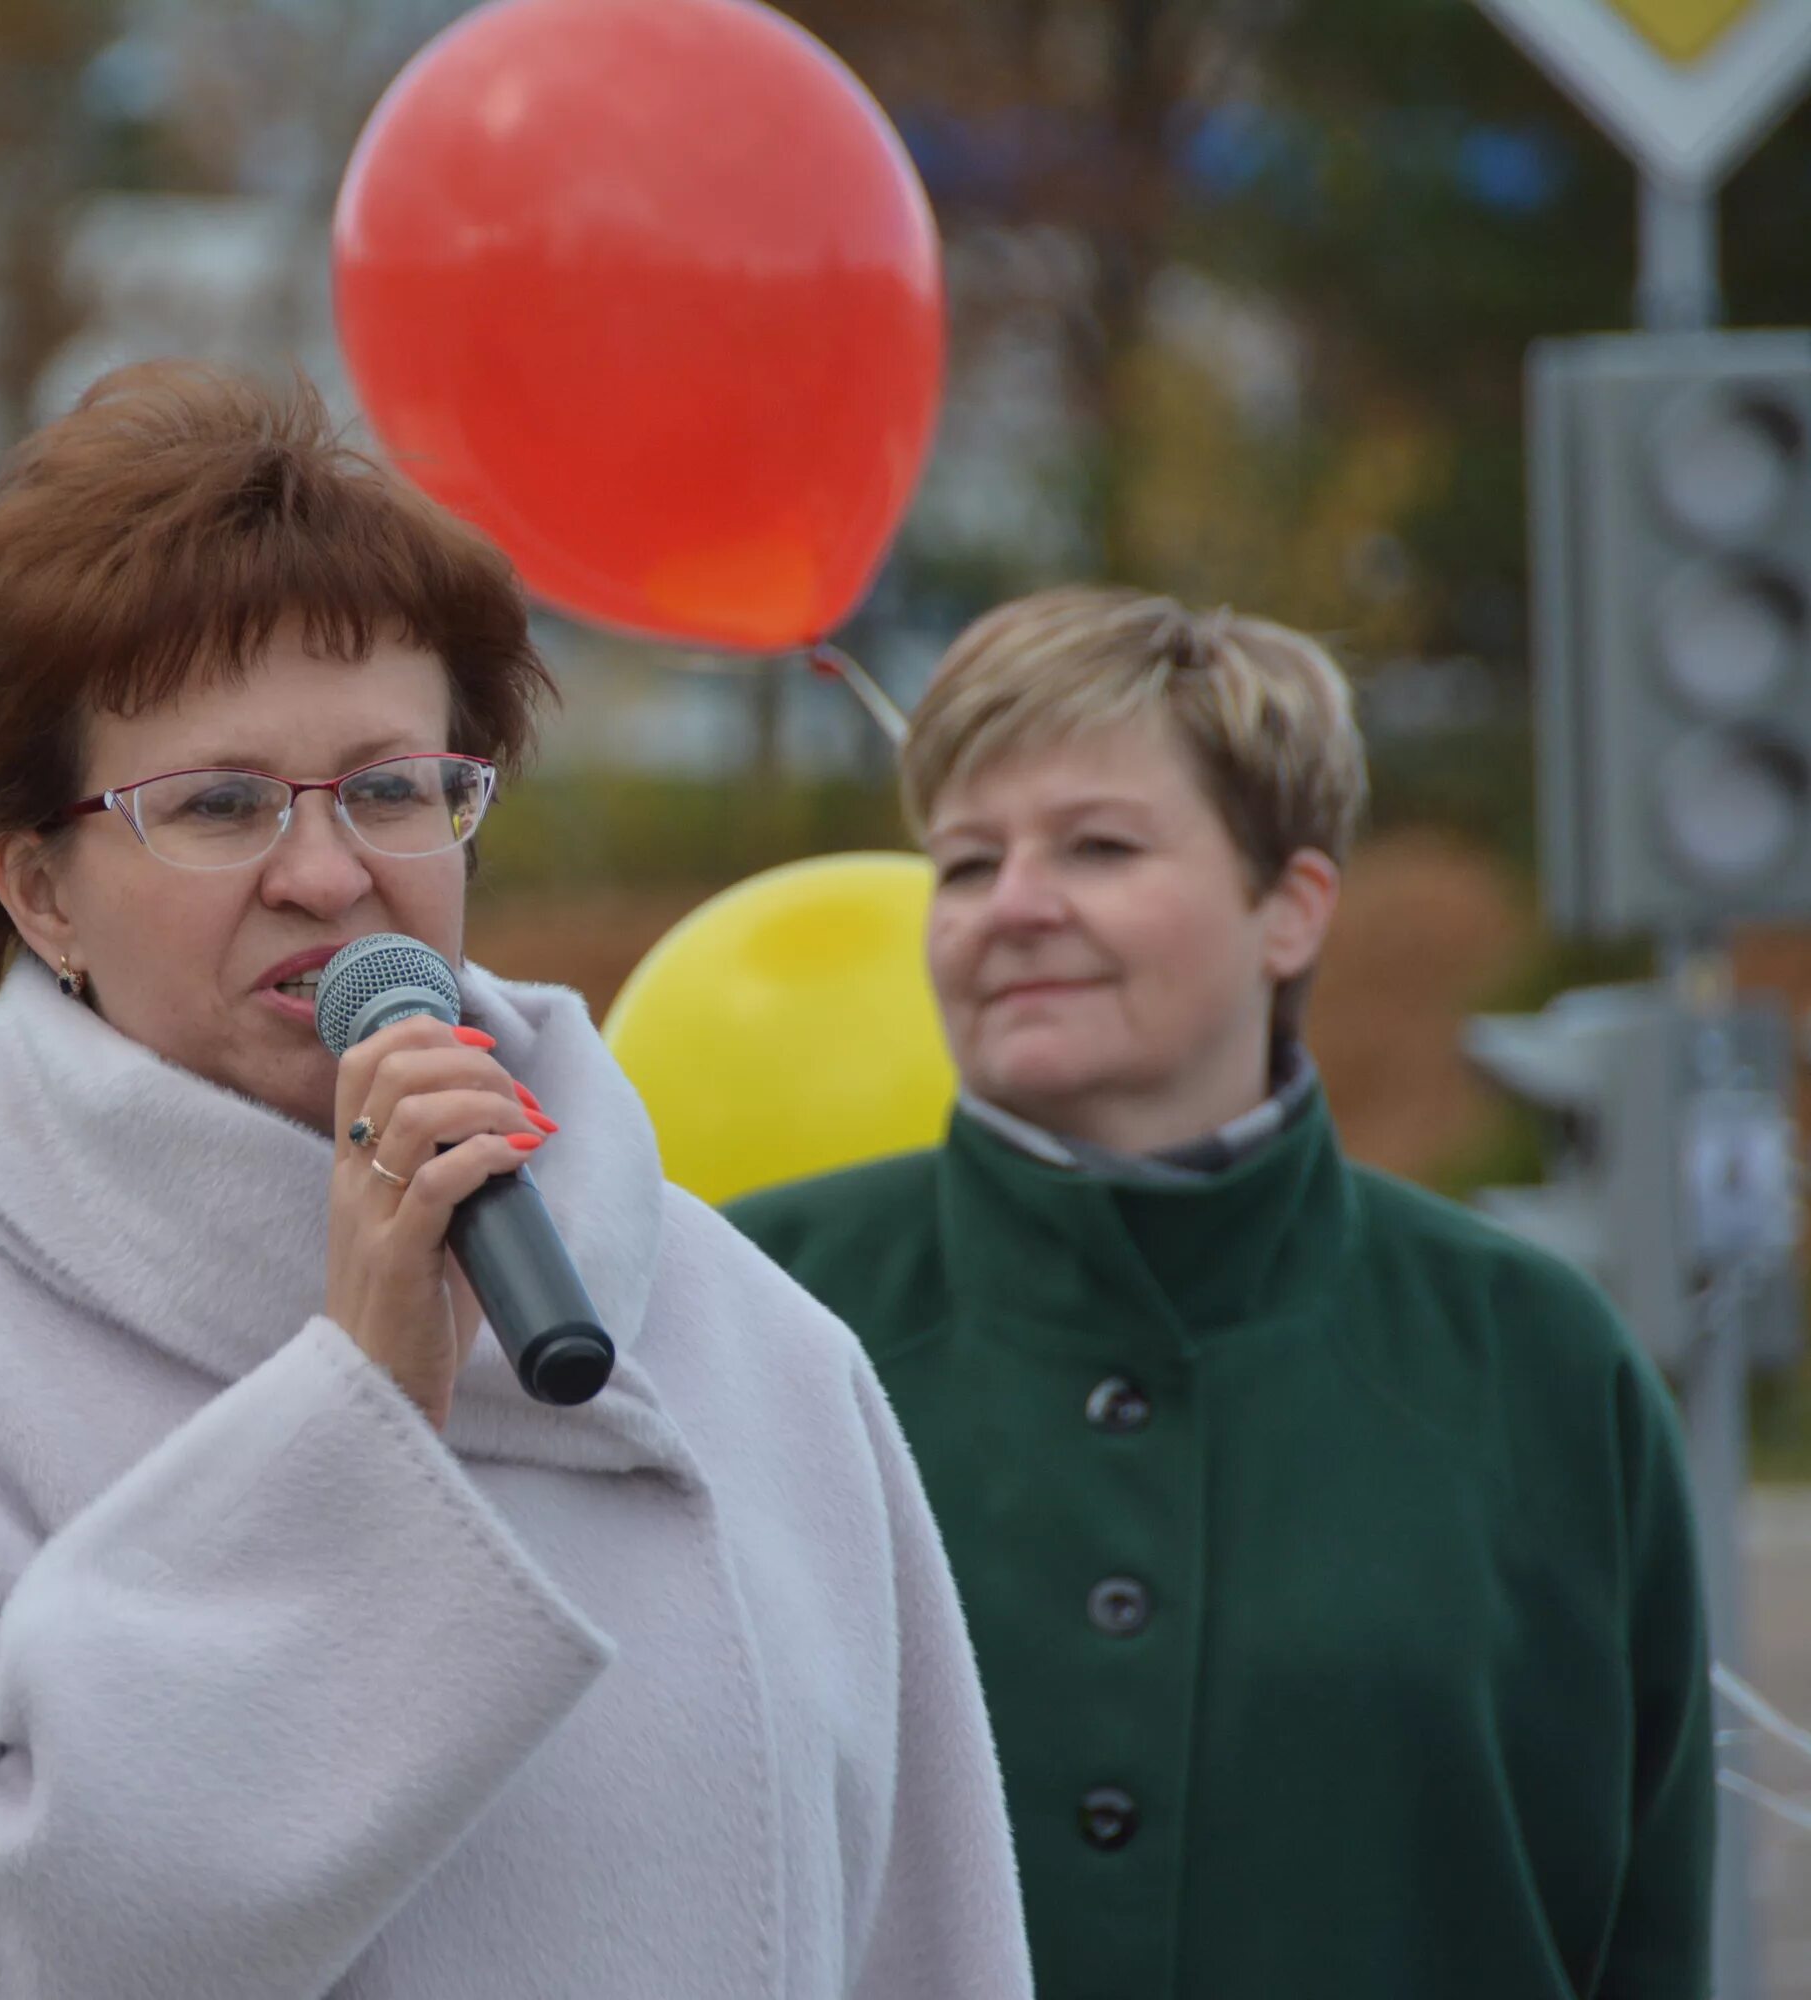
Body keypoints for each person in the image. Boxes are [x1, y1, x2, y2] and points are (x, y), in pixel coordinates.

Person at [0, 363, 1030, 1999]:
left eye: (393, 789)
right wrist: (364, 1405)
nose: (327, 871)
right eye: (219, 806)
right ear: (39, 892)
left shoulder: (755, 1345)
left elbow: (928, 1941)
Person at [729, 587, 1715, 1999]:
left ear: (1291, 909)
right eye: (963, 862)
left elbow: (1651, 1930)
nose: (1013, 906)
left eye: (1100, 846)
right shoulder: (764, 1311)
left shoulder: (1540, 1362)